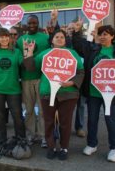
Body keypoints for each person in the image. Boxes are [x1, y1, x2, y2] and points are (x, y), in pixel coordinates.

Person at [72, 25, 115, 162]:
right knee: (92, 119)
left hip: (111, 93)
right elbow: (78, 45)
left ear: (112, 36)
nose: (102, 36)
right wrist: (77, 32)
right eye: (100, 34)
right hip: (94, 92)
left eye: (106, 34)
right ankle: (92, 144)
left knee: (110, 120)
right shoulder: (93, 48)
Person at [24, 30, 84, 160]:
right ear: (52, 40)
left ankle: (64, 148)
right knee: (49, 121)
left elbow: (81, 72)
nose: (59, 38)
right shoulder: (45, 54)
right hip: (47, 93)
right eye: (57, 37)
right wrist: (29, 51)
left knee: (65, 122)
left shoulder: (72, 53)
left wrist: (72, 82)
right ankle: (51, 146)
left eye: (62, 37)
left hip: (68, 94)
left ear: (65, 40)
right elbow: (30, 67)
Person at [16, 14, 50, 147]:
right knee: (29, 110)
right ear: (26, 24)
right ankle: (30, 134)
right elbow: (18, 59)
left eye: (34, 23)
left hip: (42, 78)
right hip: (26, 79)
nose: (32, 25)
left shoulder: (46, 38)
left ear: (38, 23)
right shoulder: (21, 40)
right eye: (29, 23)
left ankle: (43, 136)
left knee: (43, 110)